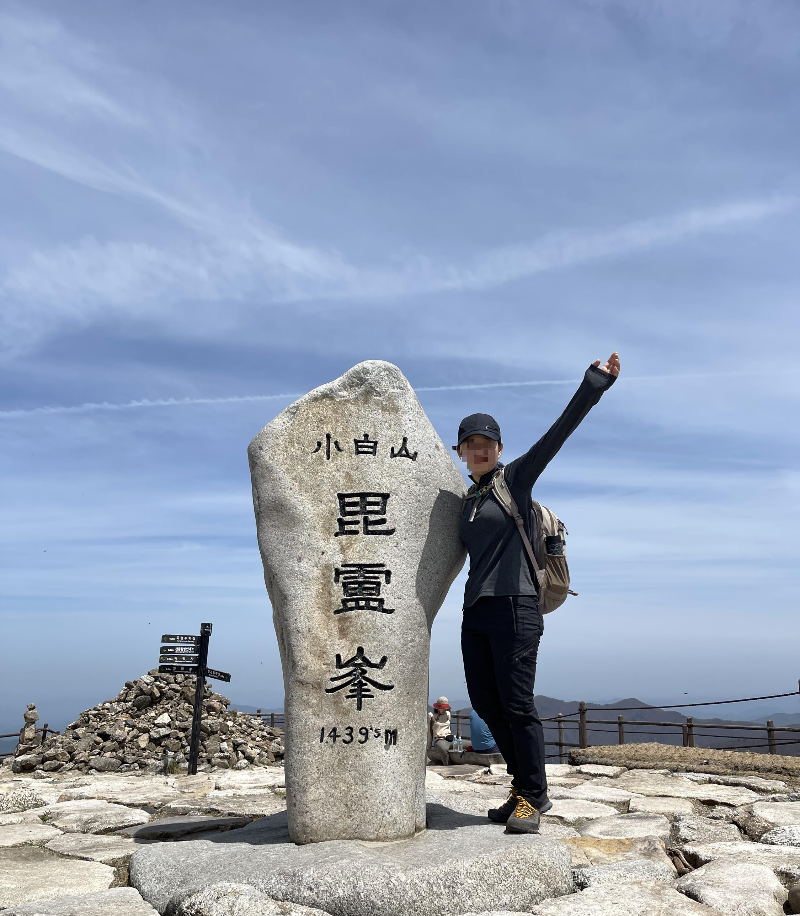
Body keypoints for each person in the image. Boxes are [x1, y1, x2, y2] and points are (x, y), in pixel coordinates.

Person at [456, 353, 620, 833]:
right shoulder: (467, 500)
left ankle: (534, 796)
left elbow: (556, 436)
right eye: (470, 443)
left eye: (486, 442)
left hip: (516, 605)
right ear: (460, 452)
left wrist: (593, 386)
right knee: (486, 703)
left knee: (517, 704)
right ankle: (520, 785)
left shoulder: (514, 480)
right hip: (476, 610)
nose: (479, 449)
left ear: (499, 448)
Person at [427, 696, 454, 766]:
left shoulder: (448, 714)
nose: (444, 710)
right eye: (442, 708)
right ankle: (447, 766)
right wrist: (429, 746)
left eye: (445, 708)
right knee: (443, 749)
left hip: (449, 738)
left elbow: (449, 728)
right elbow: (430, 732)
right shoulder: (432, 716)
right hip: (439, 739)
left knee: (468, 744)